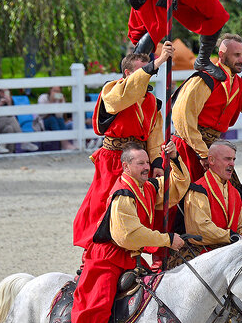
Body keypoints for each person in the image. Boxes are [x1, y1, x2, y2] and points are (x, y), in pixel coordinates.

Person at [71, 140, 189, 323]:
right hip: (108, 256)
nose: (147, 167)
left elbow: (176, 187)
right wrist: (166, 239)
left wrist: (175, 159)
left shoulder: (145, 187)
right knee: (100, 303)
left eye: (147, 162)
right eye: (141, 163)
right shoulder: (123, 194)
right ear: (126, 166)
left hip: (130, 256)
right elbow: (129, 234)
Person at [73, 42, 173, 250]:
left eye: (149, 72)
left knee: (138, 205)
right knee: (104, 205)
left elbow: (154, 136)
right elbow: (127, 94)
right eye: (141, 72)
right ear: (127, 73)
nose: (146, 76)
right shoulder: (112, 91)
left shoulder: (152, 102)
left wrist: (156, 162)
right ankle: (95, 252)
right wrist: (158, 62)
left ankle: (132, 249)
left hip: (138, 159)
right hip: (113, 159)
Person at [172, 32, 242, 181]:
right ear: (222, 55)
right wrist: (203, 154)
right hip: (189, 148)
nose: (241, 60)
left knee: (233, 195)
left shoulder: (241, 84)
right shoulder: (203, 80)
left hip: (215, 149)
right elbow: (183, 117)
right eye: (236, 55)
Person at [183, 139, 242, 252]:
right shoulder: (199, 189)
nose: (232, 164)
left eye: (233, 159)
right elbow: (200, 228)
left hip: (230, 252)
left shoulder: (236, 193)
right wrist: (232, 237)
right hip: (203, 255)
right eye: (227, 159)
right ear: (211, 160)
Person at [0, 89, 38, 154]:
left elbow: (15, 115)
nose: (3, 93)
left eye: (6, 92)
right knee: (10, 117)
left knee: (9, 128)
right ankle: (23, 142)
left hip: (6, 125)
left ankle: (7, 151)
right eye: (2, 91)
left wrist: (9, 103)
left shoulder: (11, 100)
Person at [37, 86, 75, 151]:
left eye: (58, 91)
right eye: (54, 91)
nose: (56, 93)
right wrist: (51, 102)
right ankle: (64, 144)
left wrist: (60, 103)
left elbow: (60, 115)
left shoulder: (60, 99)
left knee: (60, 120)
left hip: (56, 121)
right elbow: (42, 114)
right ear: (50, 90)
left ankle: (65, 143)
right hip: (44, 122)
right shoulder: (43, 98)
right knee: (52, 119)